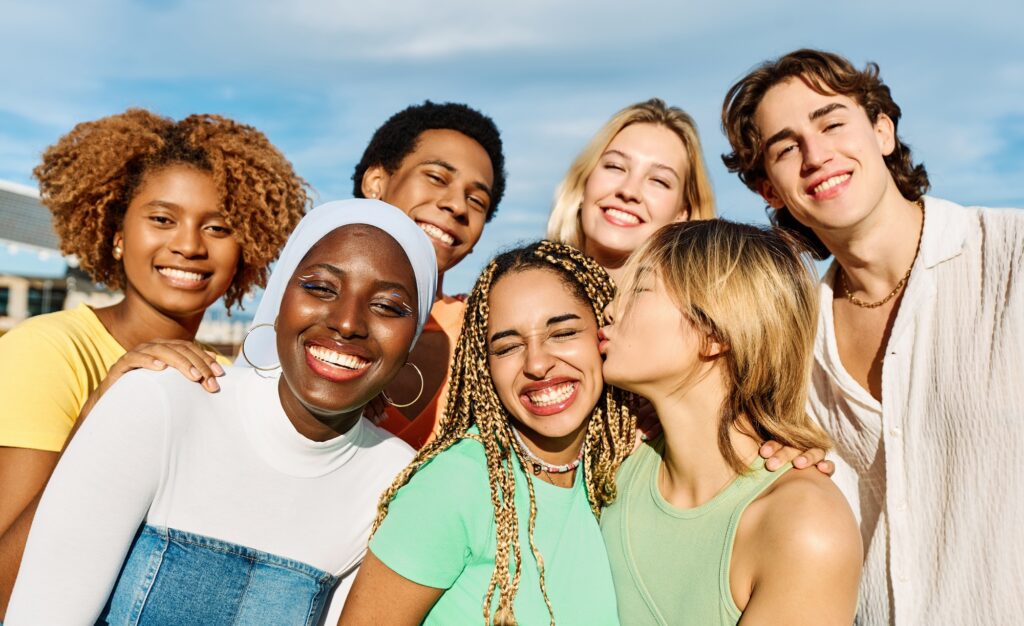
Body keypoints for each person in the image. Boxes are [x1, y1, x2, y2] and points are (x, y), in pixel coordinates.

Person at [5, 199, 438, 625]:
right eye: (320, 287)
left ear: (412, 336)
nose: (348, 323)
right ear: (280, 297)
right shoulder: (161, 402)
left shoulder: (399, 482)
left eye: (388, 307)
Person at [721, 48, 1024, 623]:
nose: (816, 155)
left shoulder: (1011, 258)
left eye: (832, 122)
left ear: (882, 130)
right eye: (786, 148)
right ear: (770, 191)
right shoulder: (791, 343)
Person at [0, 108, 308, 617]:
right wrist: (97, 416)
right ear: (117, 233)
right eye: (162, 219)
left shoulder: (231, 383)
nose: (188, 245)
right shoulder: (49, 351)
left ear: (247, 249)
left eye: (219, 227)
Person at [340, 241, 636, 625]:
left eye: (562, 333)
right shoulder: (456, 483)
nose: (537, 363)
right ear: (485, 367)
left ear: (603, 335)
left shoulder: (620, 473)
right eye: (508, 346)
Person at [599, 220, 861, 625]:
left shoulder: (802, 527)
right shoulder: (610, 461)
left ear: (714, 332)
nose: (611, 308)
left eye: (641, 288)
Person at [352, 101, 507, 449]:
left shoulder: (486, 330)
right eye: (437, 178)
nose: (457, 205)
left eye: (477, 200)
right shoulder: (304, 305)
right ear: (376, 182)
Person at [546, 98, 716, 285]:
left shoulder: (702, 313)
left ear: (682, 214)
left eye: (658, 180)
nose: (628, 191)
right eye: (615, 167)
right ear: (583, 182)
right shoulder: (524, 289)